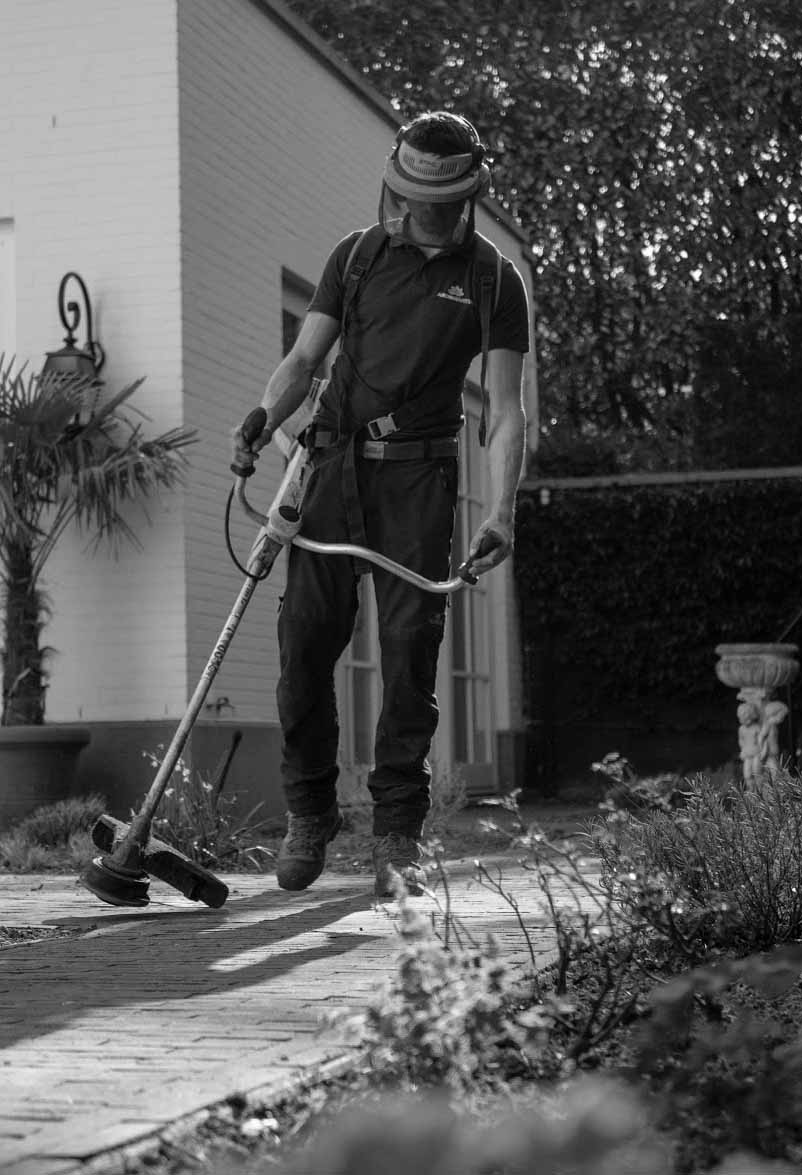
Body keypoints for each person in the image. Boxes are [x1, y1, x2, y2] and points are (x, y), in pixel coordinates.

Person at [231, 111, 530, 898]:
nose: (408, 209)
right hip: (331, 472)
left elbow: (504, 409)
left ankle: (397, 832)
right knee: (302, 651)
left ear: (465, 194)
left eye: (427, 198)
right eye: (401, 191)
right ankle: (310, 813)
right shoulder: (356, 257)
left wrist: (500, 509)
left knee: (407, 660)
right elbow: (303, 359)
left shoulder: (495, 279)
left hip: (417, 486)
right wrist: (264, 418)